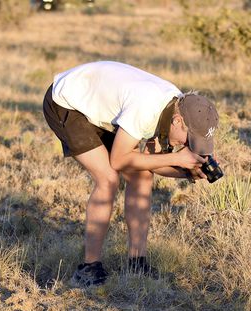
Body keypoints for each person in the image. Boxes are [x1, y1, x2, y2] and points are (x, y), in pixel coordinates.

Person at [42, 61, 219, 288]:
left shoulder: (176, 106)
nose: (187, 146)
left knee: (142, 176)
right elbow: (119, 160)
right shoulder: (146, 108)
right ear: (178, 122)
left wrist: (187, 173)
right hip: (66, 103)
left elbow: (152, 164)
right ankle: (88, 268)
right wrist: (177, 159)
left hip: (98, 105)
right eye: (189, 140)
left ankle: (137, 263)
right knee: (108, 179)